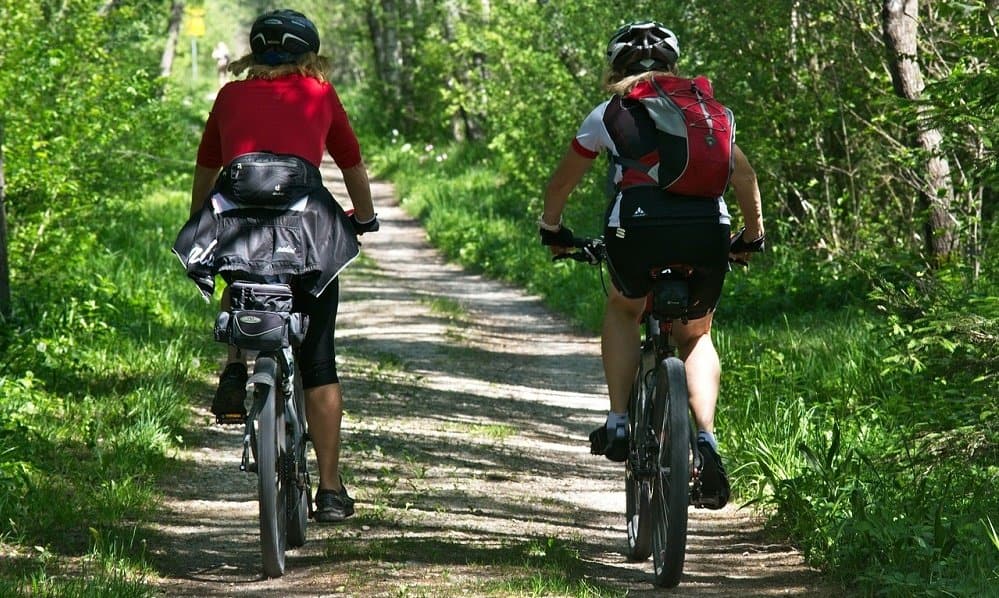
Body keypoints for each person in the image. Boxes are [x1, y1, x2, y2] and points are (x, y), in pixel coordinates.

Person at [539, 21, 765, 509]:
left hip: (637, 231)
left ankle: (619, 422)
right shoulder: (706, 111)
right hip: (708, 231)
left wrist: (552, 230)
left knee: (624, 307)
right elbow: (743, 174)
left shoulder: (608, 113)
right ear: (672, 65)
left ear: (615, 68)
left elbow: (560, 186)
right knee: (697, 335)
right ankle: (706, 439)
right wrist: (751, 237)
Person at [188, 9, 379, 522]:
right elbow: (351, 163)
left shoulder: (229, 96)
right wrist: (365, 218)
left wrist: (199, 221)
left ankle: (234, 364)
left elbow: (208, 169)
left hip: (240, 227)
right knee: (319, 360)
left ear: (255, 53)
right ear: (307, 55)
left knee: (239, 268)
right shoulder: (318, 94)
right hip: (307, 232)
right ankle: (332, 490)